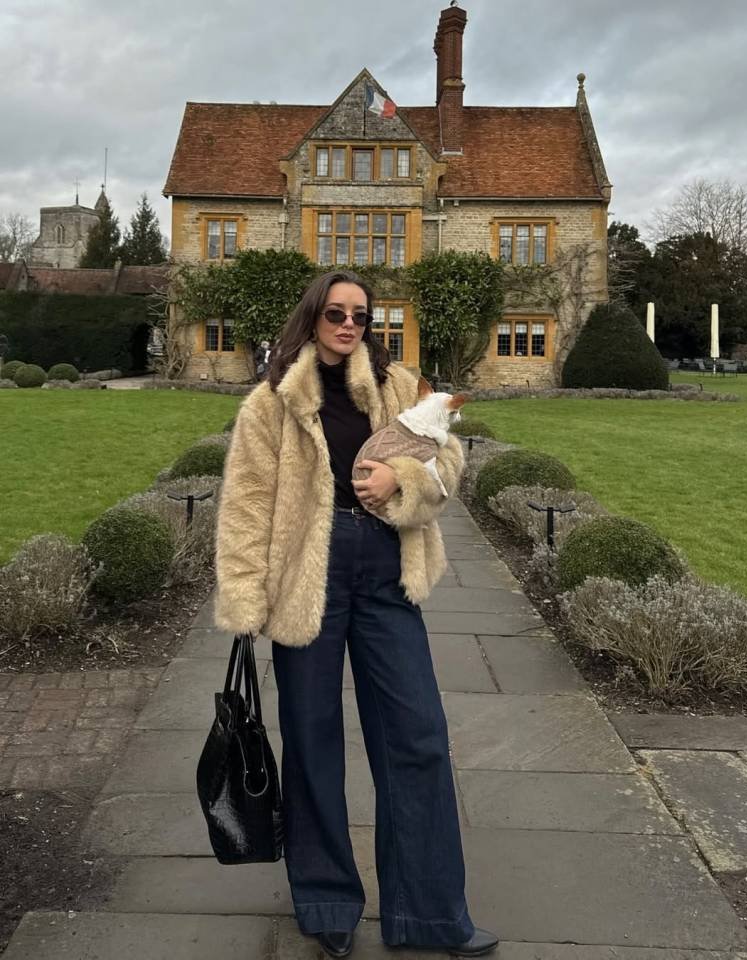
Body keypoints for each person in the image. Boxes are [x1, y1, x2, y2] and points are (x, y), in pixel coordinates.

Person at [213, 269, 499, 959]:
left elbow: (450, 463)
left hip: (385, 570)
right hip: (307, 581)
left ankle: (431, 915)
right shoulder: (271, 403)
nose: (348, 325)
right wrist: (246, 598)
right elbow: (247, 504)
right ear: (312, 318)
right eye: (335, 313)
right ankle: (327, 903)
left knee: (418, 738)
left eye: (360, 316)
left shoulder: (402, 388)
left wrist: (399, 478)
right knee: (312, 744)